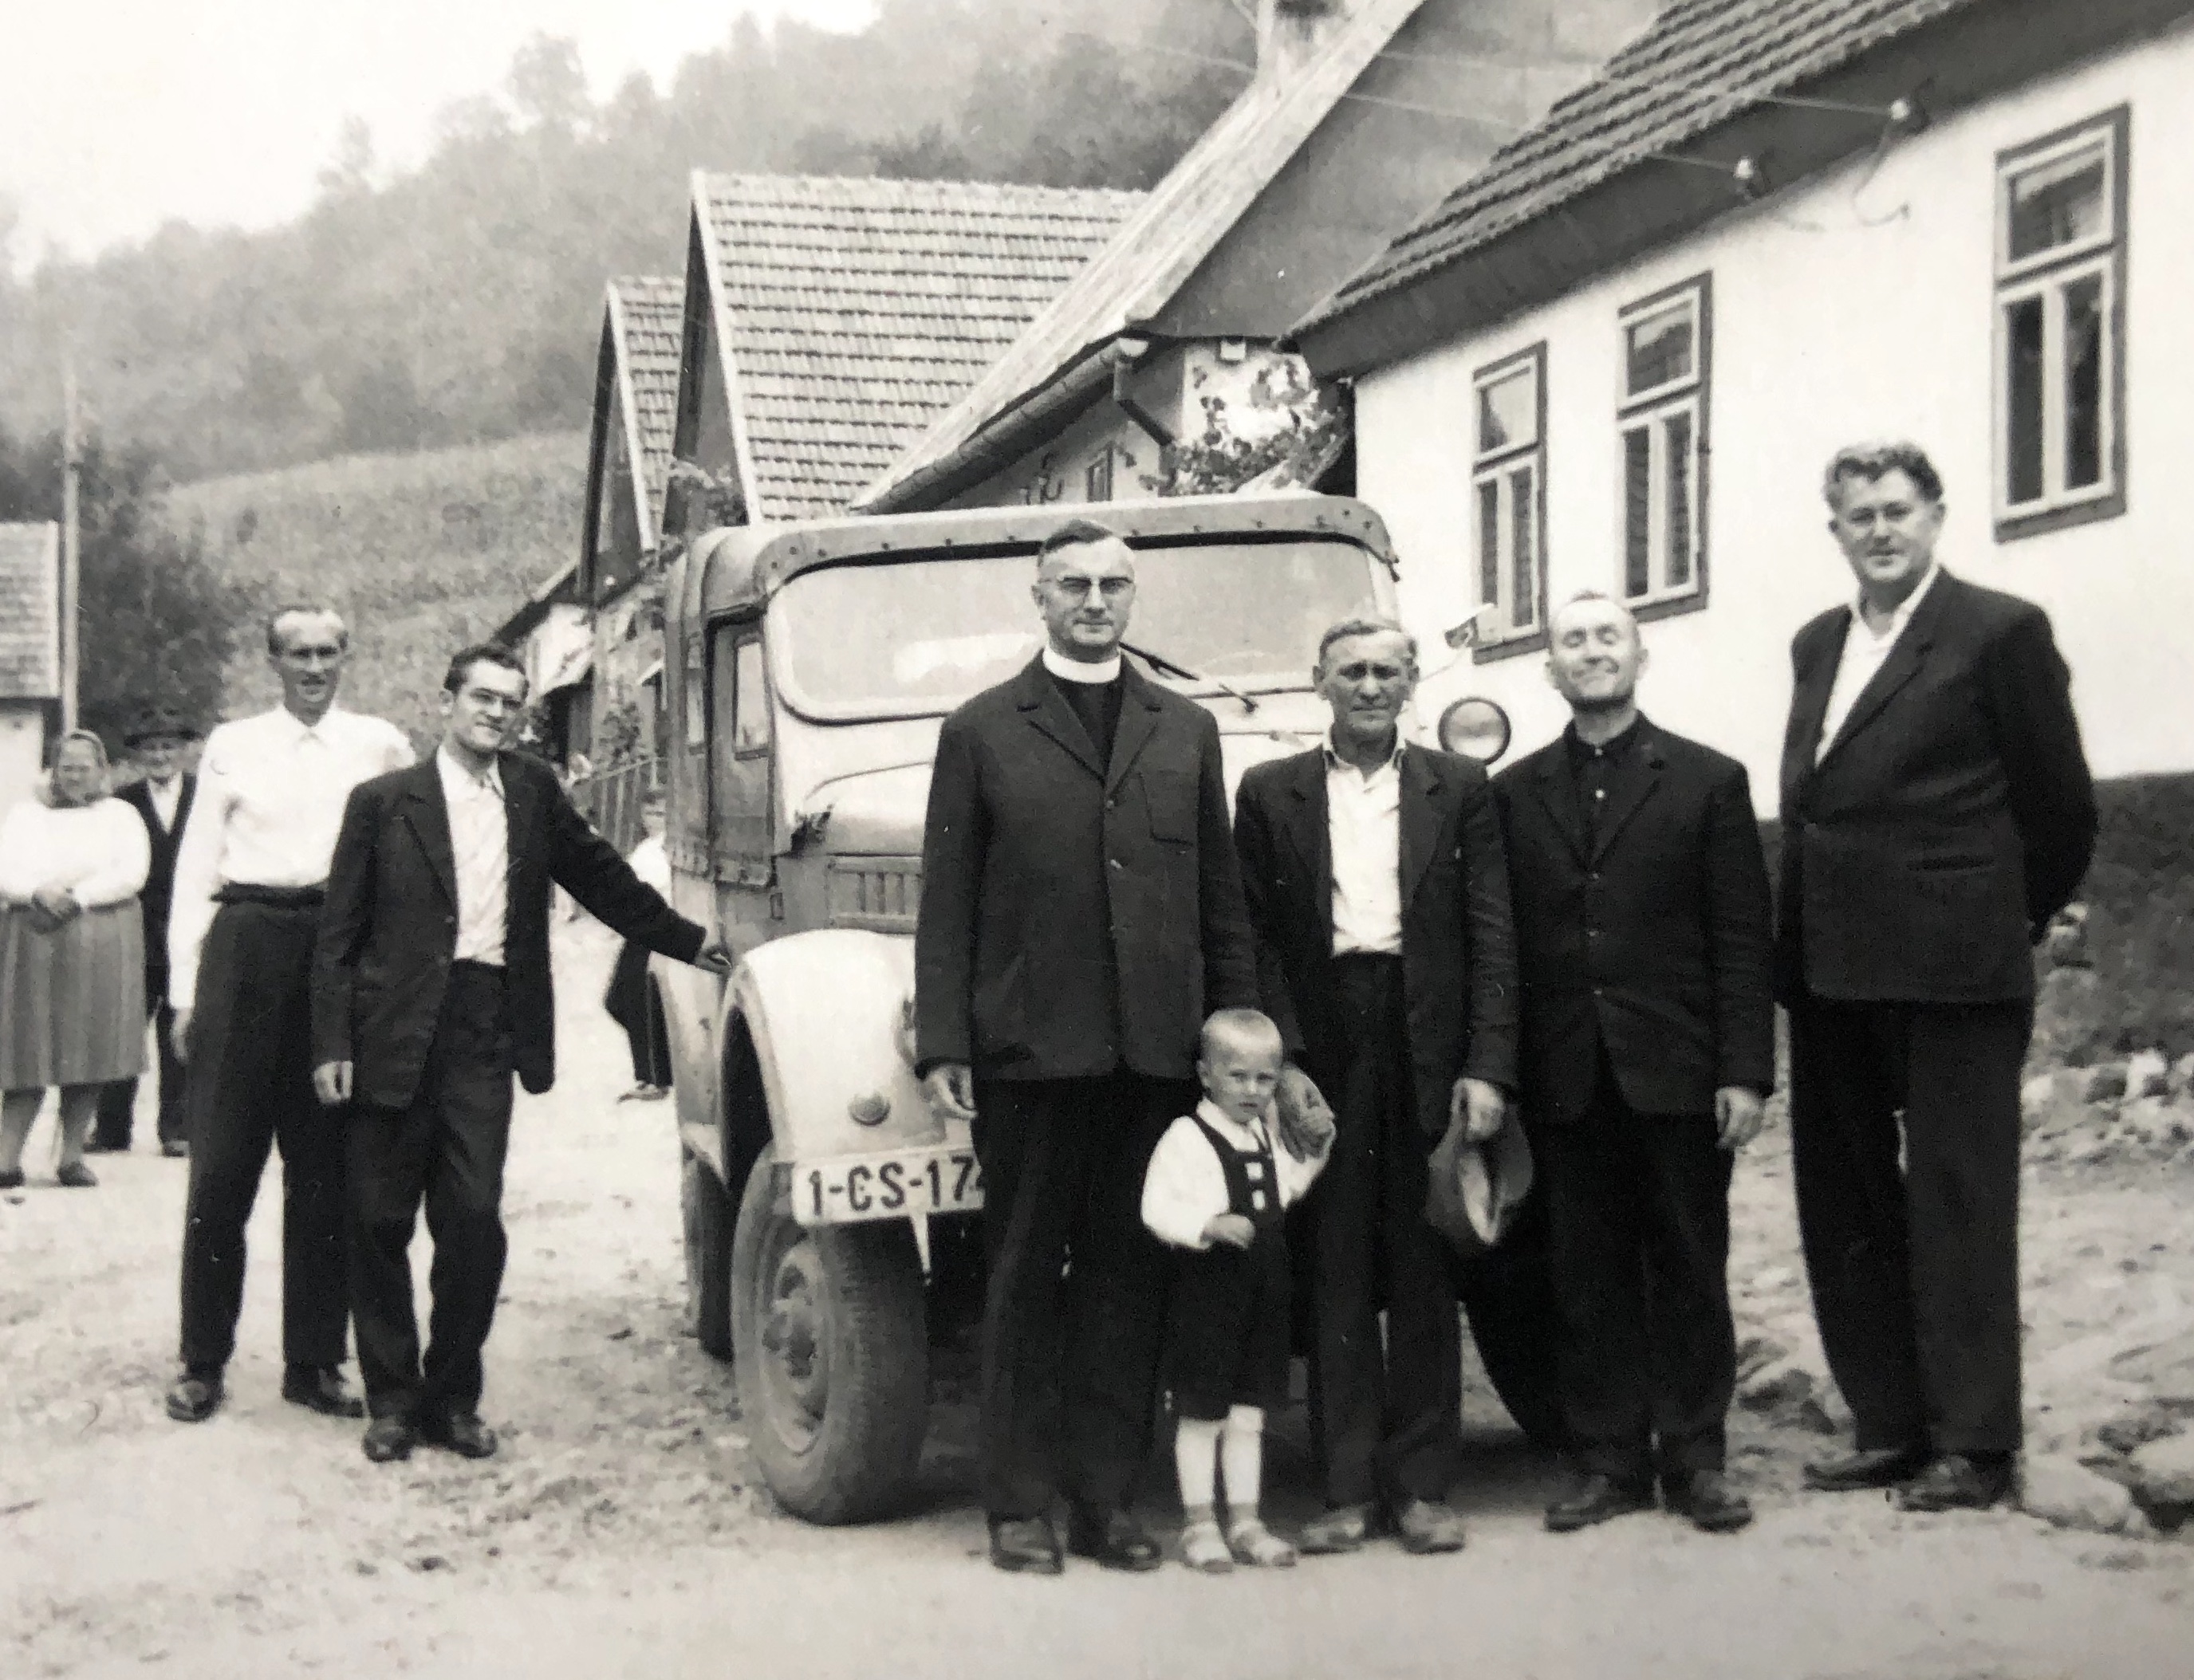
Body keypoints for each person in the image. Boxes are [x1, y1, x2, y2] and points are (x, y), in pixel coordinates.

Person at [915, 517, 1260, 1576]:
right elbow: (947, 901)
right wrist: (945, 1042)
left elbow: (1218, 898)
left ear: (1133, 597)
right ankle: (1018, 1505)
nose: (1095, 601)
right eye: (1073, 584)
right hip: (1030, 1052)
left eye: (1113, 584)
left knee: (1129, 1275)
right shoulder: (981, 729)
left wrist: (1236, 1030)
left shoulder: (1184, 729)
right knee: (1022, 1275)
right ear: (1039, 597)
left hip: (1154, 1055)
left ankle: (1105, 1498)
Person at [313, 643, 731, 1464]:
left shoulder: (534, 790)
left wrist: (687, 941)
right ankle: (392, 1400)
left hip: (485, 1024)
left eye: (511, 703)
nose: (496, 714)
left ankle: (452, 1399)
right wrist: (332, 1041)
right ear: (447, 701)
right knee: (379, 1219)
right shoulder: (382, 802)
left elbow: (601, 878)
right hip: (390, 1029)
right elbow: (338, 934)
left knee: (472, 1218)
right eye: (482, 697)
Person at [1779, 443, 2096, 1513]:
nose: (1879, 529)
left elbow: (2060, 804)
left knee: (1959, 1198)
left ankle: (1974, 1439)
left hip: (1957, 966)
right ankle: (1890, 1422)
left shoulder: (1997, 630)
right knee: (1848, 1196)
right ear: (1835, 530)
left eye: (1896, 510)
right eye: (1858, 514)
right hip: (1831, 966)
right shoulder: (1817, 641)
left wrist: (2004, 915)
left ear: (1935, 516)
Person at [1232, 616, 1519, 1556]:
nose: (1368, 686)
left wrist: (1487, 1064)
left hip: (1426, 1035)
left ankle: (1424, 1486)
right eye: (1350, 671)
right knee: (1336, 1261)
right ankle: (1347, 1487)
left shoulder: (1459, 786)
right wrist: (1285, 1062)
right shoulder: (1270, 790)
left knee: (1427, 1258)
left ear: (1411, 682)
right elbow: (1253, 936)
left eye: (1386, 671)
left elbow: (1492, 932)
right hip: (1325, 1038)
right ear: (1319, 680)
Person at [1491, 592, 1775, 1536]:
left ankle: (1696, 1460)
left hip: (1678, 1070)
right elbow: (1506, 944)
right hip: (1566, 1074)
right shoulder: (1514, 793)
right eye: (1572, 641)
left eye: (1607, 636)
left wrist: (1745, 1070)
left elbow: (1741, 938)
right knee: (1585, 1274)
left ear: (1639, 656)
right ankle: (1609, 1460)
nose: (1591, 652)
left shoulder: (1708, 780)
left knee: (1691, 1263)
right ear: (1551, 670)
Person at [164, 605, 415, 1426]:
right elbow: (195, 867)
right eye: (298, 653)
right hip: (245, 944)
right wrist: (185, 992)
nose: (314, 666)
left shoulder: (379, 744)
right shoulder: (233, 744)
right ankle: (202, 1360)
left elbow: (411, 853)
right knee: (221, 1169)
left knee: (324, 1172)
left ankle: (313, 1361)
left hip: (336, 953)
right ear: (272, 660)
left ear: (346, 656)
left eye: (327, 651)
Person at [1141, 1009, 1331, 1573]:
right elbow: (1156, 1206)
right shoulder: (1187, 1137)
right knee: (1203, 1412)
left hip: (1263, 1296)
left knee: (1249, 1413)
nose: (1252, 1090)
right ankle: (1199, 1524)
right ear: (1206, 1075)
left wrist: (1318, 1152)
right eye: (1238, 1076)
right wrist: (1206, 1224)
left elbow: (1286, 1188)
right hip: (1209, 1297)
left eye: (1265, 1079)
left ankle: (1246, 1521)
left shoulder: (1264, 1136)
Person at [0, 732, 150, 1190]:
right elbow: (5, 868)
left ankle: (70, 1158)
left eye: (85, 767)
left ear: (102, 770)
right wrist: (37, 891)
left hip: (101, 937)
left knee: (90, 1048)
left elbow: (132, 872)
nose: (75, 775)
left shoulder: (121, 815)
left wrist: (80, 897)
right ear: (53, 769)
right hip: (34, 934)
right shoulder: (25, 815)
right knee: (27, 1047)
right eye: (66, 766)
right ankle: (6, 1160)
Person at [91, 705, 200, 1157]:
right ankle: (111, 1129)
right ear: (138, 755)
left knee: (181, 1025)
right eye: (151, 748)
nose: (160, 756)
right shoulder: (122, 802)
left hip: (189, 928)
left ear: (183, 750)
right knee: (123, 1027)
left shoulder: (204, 796)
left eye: (168, 747)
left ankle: (177, 1129)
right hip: (135, 929)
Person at [603, 792, 673, 1100]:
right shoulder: (646, 849)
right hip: (639, 931)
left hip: (657, 931)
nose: (654, 820)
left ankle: (655, 1078)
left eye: (661, 814)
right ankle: (653, 1073)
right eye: (649, 814)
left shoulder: (667, 848)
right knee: (619, 1002)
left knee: (635, 1002)